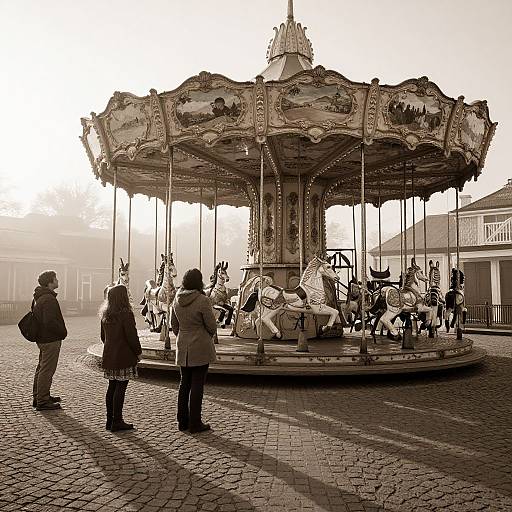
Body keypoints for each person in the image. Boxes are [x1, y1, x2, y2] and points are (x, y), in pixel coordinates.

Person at [171, 268, 217, 433]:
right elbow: (211, 325)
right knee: (197, 385)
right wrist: (205, 335)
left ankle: (182, 420)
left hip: (183, 345)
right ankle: (195, 422)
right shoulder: (202, 300)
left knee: (184, 384)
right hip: (200, 346)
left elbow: (174, 325)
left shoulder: (176, 299)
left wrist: (183, 336)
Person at [99, 284, 142, 432]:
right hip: (123, 355)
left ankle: (109, 420)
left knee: (112, 387)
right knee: (121, 388)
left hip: (110, 355)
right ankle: (117, 421)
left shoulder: (105, 314)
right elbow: (132, 336)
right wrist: (138, 352)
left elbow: (103, 337)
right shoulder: (126, 314)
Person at [32, 270, 67, 411]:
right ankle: (42, 400)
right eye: (55, 278)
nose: (58, 281)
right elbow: (50, 322)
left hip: (42, 338)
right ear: (50, 282)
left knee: (41, 367)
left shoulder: (39, 297)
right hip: (50, 339)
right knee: (47, 369)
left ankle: (39, 395)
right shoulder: (49, 299)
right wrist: (63, 332)